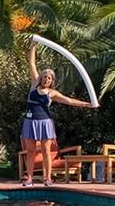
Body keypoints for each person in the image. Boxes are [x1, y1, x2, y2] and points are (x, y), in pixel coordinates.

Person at [21, 43, 93, 187]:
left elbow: (69, 101)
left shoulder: (52, 93)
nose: (46, 79)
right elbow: (32, 63)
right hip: (30, 122)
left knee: (46, 151)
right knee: (30, 151)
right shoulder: (34, 85)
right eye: (44, 77)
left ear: (52, 81)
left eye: (49, 78)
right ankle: (29, 178)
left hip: (45, 122)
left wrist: (87, 104)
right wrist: (33, 47)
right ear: (41, 78)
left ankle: (47, 178)